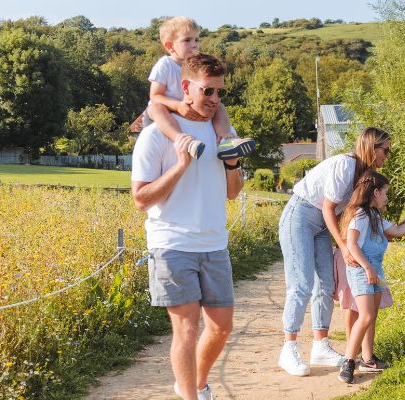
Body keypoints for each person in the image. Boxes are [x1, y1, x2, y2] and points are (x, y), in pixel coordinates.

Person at [131, 53, 244, 400]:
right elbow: (141, 199)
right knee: (186, 329)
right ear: (186, 88)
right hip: (171, 243)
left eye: (219, 93)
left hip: (214, 243)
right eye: (207, 90)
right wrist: (180, 165)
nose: (213, 99)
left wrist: (233, 164)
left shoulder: (222, 132)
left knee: (222, 327)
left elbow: (233, 192)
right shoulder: (155, 136)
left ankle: (194, 385)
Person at [278, 128, 391, 376]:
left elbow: (343, 213)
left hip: (319, 225)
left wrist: (349, 243)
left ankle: (320, 345)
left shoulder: (363, 174)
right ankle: (289, 347)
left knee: (326, 283)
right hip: (300, 216)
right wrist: (342, 244)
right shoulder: (345, 165)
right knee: (302, 283)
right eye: (385, 150)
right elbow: (329, 208)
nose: (387, 156)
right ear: (373, 148)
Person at [337, 171, 405, 383]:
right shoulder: (360, 215)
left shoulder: (375, 216)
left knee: (371, 316)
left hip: (374, 269)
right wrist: (367, 268)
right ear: (375, 192)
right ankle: (349, 361)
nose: (387, 198)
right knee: (364, 315)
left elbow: (399, 231)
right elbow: (352, 244)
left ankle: (368, 357)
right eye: (385, 194)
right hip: (361, 271)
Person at [146, 17, 253, 159]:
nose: (194, 45)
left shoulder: (197, 66)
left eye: (197, 40)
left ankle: (226, 140)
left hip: (190, 108)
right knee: (155, 108)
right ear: (170, 46)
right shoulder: (165, 65)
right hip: (167, 109)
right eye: (187, 40)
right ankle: (183, 140)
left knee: (219, 106)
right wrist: (178, 106)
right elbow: (155, 96)